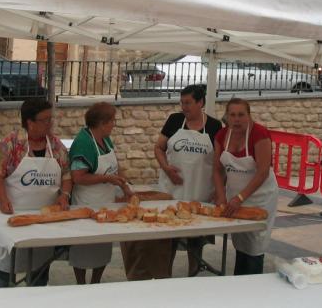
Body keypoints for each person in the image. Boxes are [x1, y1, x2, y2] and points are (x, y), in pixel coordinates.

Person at [121, 84, 222, 280]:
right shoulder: (175, 120)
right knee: (168, 239)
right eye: (182, 103)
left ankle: (193, 274)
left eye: (188, 103)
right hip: (172, 192)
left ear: (200, 103)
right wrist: (166, 168)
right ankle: (164, 276)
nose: (184, 107)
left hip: (199, 192)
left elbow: (219, 161)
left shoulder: (214, 126)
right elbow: (159, 148)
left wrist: (218, 191)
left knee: (195, 240)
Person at [0, 98, 72, 287]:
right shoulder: (10, 143)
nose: (50, 123)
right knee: (6, 265)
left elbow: (66, 175)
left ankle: (37, 294)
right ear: (30, 123)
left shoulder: (56, 146)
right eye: (45, 120)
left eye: (51, 119)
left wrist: (64, 195)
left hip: (43, 218)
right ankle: (0, 293)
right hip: (12, 215)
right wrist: (3, 199)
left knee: (40, 265)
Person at [69, 102, 132, 284]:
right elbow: (78, 177)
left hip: (106, 203)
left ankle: (96, 282)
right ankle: (81, 284)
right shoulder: (83, 143)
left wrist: (125, 187)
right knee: (82, 247)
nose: (114, 124)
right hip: (86, 204)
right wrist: (106, 178)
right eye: (112, 121)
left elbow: (116, 166)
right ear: (102, 123)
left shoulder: (105, 139)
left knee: (103, 247)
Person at [213, 97, 278, 275]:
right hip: (234, 197)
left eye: (241, 115)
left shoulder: (260, 134)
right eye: (232, 115)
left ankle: (252, 283)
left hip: (261, 197)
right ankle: (239, 280)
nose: (236, 119)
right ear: (227, 116)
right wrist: (221, 195)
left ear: (249, 116)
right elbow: (217, 170)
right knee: (241, 242)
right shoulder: (221, 136)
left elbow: (263, 172)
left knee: (255, 245)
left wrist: (240, 197)